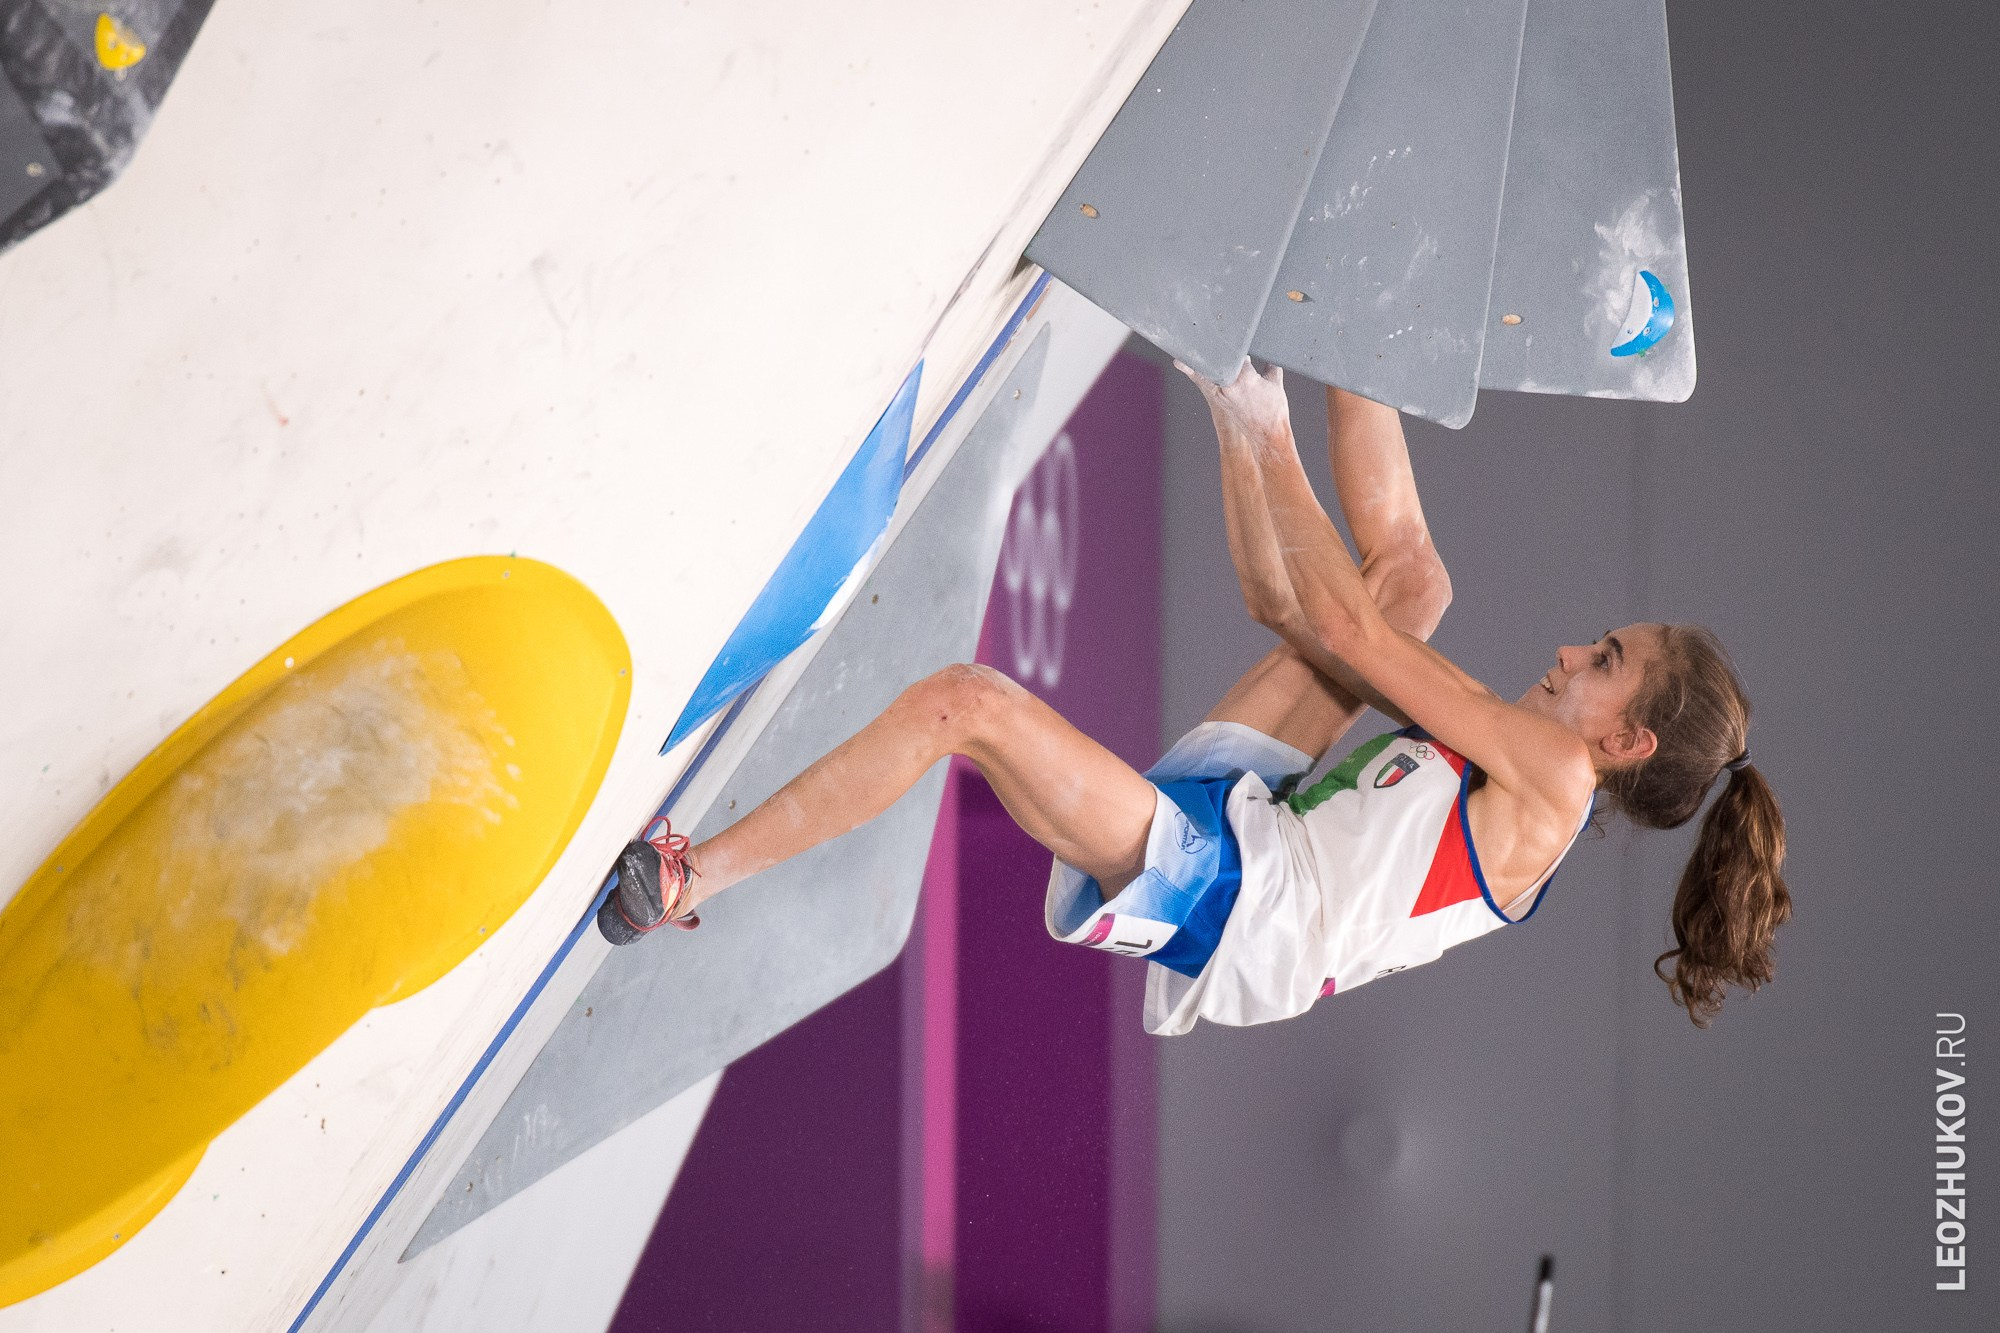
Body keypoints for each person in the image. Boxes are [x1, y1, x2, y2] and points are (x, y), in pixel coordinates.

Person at [601, 361, 1790, 1033]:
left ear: (1626, 737)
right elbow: (1309, 609)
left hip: (1251, 902)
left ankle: (689, 876)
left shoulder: (1551, 778)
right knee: (1418, 583)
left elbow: (1337, 626)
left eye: (1604, 659)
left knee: (966, 704)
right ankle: (1305, 339)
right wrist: (1330, 337)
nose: (1571, 652)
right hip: (1265, 824)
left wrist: (1267, 436)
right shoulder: (1525, 748)